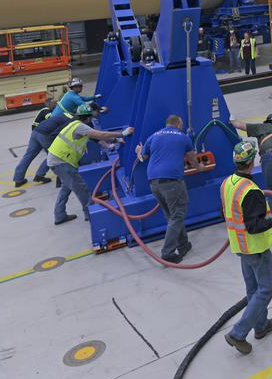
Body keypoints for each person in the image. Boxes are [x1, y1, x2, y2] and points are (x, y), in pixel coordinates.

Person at [221, 140, 272, 354]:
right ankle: (238, 333)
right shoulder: (251, 191)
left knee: (253, 290)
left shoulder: (228, 183)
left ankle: (261, 325)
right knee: (265, 290)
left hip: (239, 246)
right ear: (252, 162)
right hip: (255, 248)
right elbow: (254, 226)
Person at [47, 104, 131, 225]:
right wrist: (122, 133)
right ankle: (91, 215)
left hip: (58, 160)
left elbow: (96, 138)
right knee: (82, 189)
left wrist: (115, 140)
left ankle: (59, 215)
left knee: (66, 188)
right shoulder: (80, 127)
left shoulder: (74, 124)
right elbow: (101, 135)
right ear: (87, 118)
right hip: (61, 161)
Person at [136, 115, 199, 263]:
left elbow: (142, 157)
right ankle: (167, 252)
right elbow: (192, 160)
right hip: (172, 182)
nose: (182, 127)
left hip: (153, 183)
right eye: (181, 124)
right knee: (177, 215)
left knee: (172, 216)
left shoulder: (153, 136)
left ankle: (183, 245)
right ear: (177, 124)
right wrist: (200, 166)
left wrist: (138, 150)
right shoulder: (183, 137)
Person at [12, 96, 56, 187]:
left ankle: (18, 179)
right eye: (54, 103)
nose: (56, 104)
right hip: (42, 135)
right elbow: (51, 118)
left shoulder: (43, 111)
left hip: (35, 134)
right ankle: (40, 174)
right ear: (48, 103)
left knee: (28, 156)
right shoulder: (46, 110)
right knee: (53, 154)